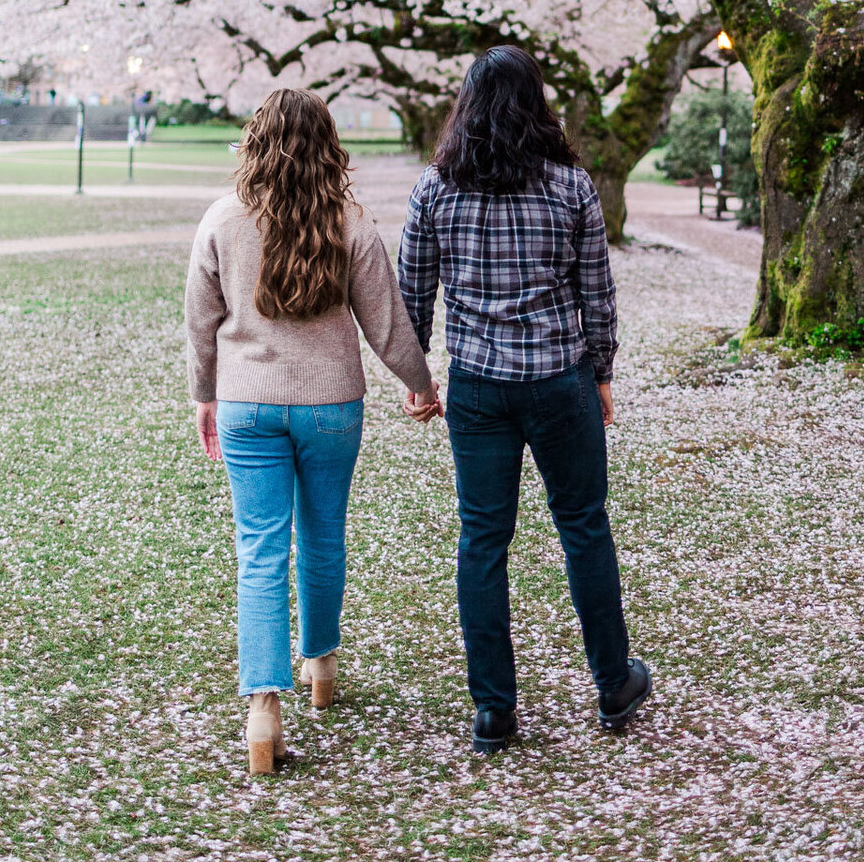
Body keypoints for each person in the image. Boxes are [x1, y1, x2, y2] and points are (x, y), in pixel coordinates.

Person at [397, 45, 650, 753]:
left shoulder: (435, 189)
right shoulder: (571, 187)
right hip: (558, 379)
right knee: (583, 527)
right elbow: (596, 293)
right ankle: (612, 684)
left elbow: (411, 294)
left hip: (477, 385)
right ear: (535, 102)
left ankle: (493, 709)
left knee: (483, 539)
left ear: (467, 107)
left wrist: (419, 379)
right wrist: (601, 373)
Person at [186, 88, 442, 774]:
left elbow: (199, 321)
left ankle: (263, 708)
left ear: (254, 142)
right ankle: (320, 663)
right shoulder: (351, 222)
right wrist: (420, 381)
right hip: (332, 405)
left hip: (247, 405)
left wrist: (203, 395)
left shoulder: (221, 218)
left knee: (260, 550)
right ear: (328, 147)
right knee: (323, 533)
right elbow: (385, 324)